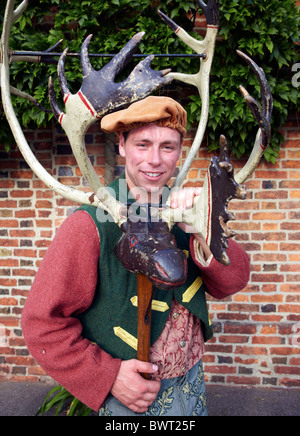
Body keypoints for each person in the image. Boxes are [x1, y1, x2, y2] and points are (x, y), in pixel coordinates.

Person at [21, 96, 250, 416]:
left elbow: (233, 281)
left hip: (193, 384)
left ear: (180, 151)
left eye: (168, 146)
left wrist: (198, 226)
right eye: (143, 144)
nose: (155, 160)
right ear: (122, 146)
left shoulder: (189, 209)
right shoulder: (89, 224)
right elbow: (42, 324)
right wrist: (108, 376)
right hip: (130, 398)